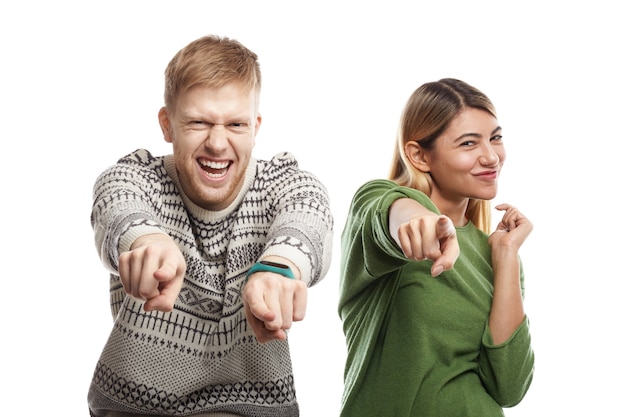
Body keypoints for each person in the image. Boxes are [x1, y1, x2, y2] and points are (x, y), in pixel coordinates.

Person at [87, 35, 333, 417]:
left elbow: (308, 210)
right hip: (134, 408)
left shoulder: (280, 183)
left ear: (256, 126)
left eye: (236, 124)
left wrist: (280, 267)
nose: (218, 144)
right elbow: (117, 201)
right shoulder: (139, 178)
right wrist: (148, 241)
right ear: (167, 125)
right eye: (198, 122)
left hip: (254, 408)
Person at [338, 78, 534, 416]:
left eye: (495, 138)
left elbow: (509, 387)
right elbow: (391, 213)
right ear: (419, 155)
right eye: (469, 143)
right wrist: (421, 222)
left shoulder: (496, 252)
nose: (491, 156)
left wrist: (506, 258)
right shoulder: (380, 202)